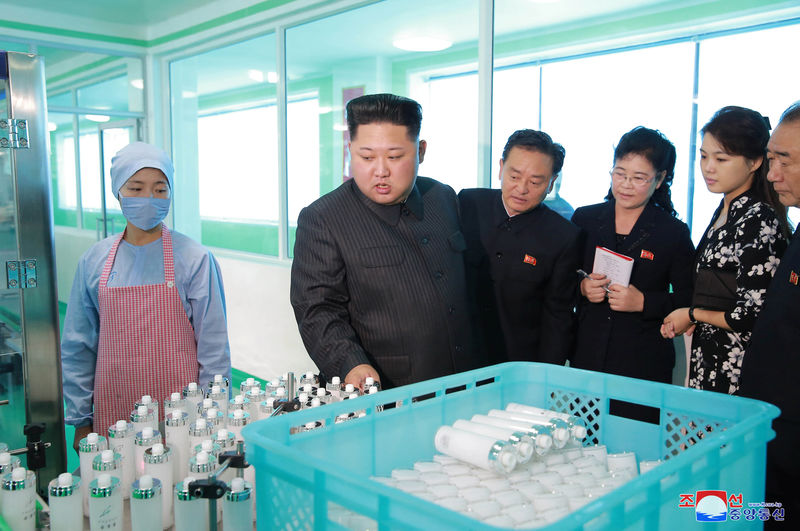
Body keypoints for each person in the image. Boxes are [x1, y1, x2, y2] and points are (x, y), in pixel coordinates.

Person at [290, 93, 479, 390]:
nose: (380, 170)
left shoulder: (442, 198)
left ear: (420, 151)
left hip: (466, 379)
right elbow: (317, 309)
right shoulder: (324, 219)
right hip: (391, 389)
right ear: (349, 149)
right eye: (366, 157)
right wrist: (350, 362)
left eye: (394, 156)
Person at [61, 142, 231, 448]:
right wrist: (81, 419)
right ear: (118, 192)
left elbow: (214, 349)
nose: (148, 199)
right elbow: (78, 347)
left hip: (182, 415)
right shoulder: (94, 261)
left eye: (160, 189)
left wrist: (213, 414)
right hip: (114, 410)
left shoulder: (194, 258)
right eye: (136, 188)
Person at [662, 106, 789, 395]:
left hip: (737, 368)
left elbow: (752, 313)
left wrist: (693, 315)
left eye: (721, 158)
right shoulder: (725, 209)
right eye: (704, 156)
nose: (708, 167)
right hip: (710, 360)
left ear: (756, 162)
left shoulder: (758, 219)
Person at [572, 127, 694, 385]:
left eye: (639, 178)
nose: (626, 185)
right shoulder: (585, 219)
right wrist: (582, 287)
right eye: (620, 173)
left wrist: (643, 302)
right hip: (587, 355)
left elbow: (690, 299)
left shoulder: (672, 232)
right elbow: (560, 279)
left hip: (642, 361)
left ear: (659, 180)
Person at [459, 129, 580, 365]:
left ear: (552, 182)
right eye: (514, 176)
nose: (522, 189)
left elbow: (557, 316)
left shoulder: (564, 236)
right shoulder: (467, 202)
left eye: (535, 182)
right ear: (501, 167)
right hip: (460, 354)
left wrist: (544, 376)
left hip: (518, 361)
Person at [739, 102, 800, 523]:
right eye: (772, 158)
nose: (772, 173)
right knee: (746, 513)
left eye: (785, 160)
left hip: (791, 457)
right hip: (769, 441)